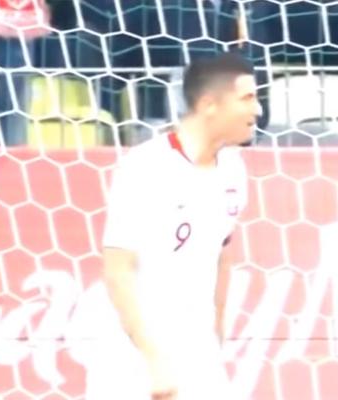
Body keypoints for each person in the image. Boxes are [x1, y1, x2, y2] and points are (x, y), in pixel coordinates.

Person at [99, 52, 259, 400]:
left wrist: (216, 330)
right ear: (209, 104)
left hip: (198, 349)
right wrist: (153, 359)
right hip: (135, 354)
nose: (257, 110)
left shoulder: (234, 168)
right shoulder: (146, 166)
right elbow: (117, 271)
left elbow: (222, 253)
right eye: (247, 98)